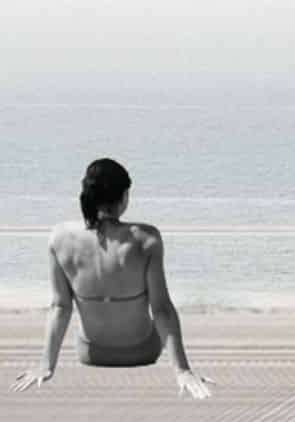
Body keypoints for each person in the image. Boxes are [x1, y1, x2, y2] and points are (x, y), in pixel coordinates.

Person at [13, 157, 212, 399]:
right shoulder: (146, 239)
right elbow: (161, 309)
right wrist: (182, 370)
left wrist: (46, 365)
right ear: (124, 197)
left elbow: (60, 307)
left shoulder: (60, 237)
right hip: (142, 351)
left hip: (90, 353)